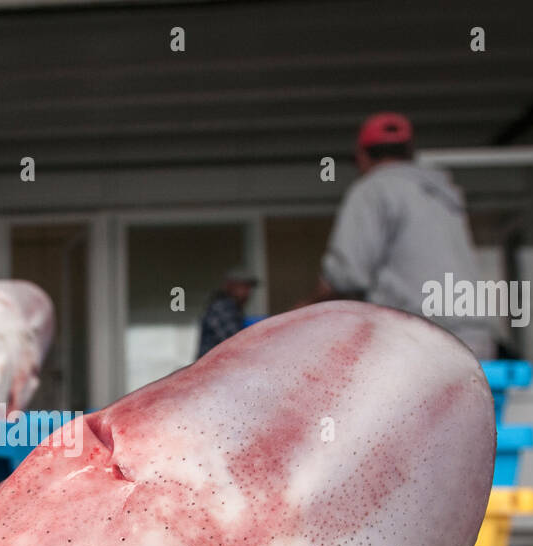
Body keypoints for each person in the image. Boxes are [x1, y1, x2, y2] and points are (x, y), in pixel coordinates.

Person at [298, 112, 496, 360]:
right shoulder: (443, 194)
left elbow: (346, 276)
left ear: (362, 156)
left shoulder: (373, 189)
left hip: (418, 337)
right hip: (473, 337)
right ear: (410, 152)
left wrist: (301, 313)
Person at [197, 268, 258, 358]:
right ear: (230, 286)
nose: (247, 292)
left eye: (249, 288)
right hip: (213, 366)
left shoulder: (232, 308)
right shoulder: (223, 307)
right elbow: (234, 341)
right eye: (243, 287)